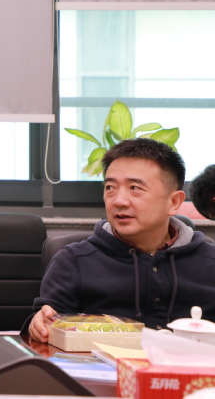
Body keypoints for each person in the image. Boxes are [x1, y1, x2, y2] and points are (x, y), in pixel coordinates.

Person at [28, 138, 215, 342]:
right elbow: (46, 334)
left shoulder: (210, 262)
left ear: (174, 202)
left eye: (134, 188)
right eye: (110, 188)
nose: (118, 201)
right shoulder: (73, 261)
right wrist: (39, 325)